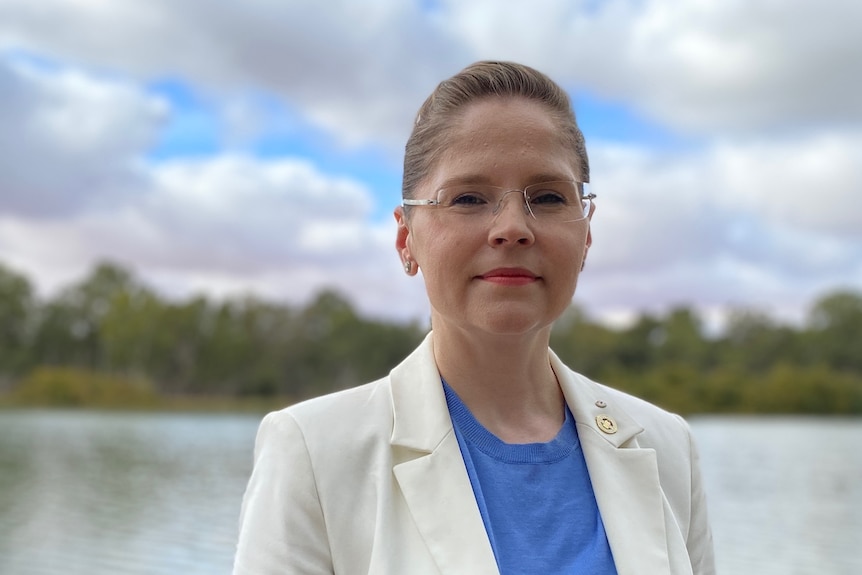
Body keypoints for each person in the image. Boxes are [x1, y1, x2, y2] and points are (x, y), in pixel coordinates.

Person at [232, 61, 715, 575]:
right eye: (468, 198)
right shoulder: (313, 453)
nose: (512, 228)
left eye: (548, 197)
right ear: (406, 238)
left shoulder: (666, 448)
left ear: (586, 233)